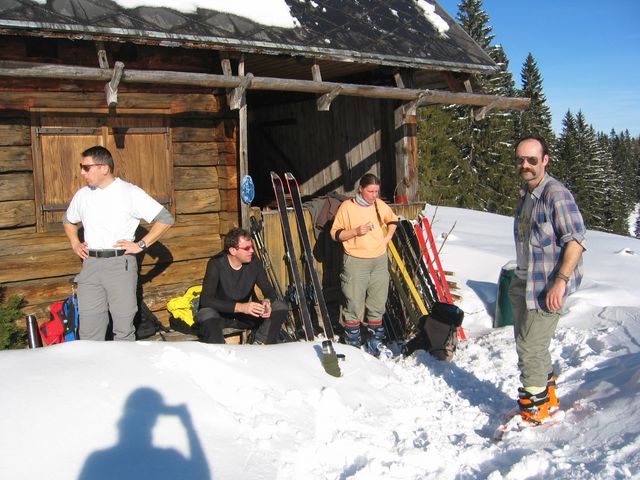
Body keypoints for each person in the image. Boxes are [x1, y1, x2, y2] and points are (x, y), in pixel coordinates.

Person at [509, 135, 586, 424]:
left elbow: (576, 240)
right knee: (530, 344)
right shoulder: (527, 194)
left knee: (530, 347)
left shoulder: (556, 194)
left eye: (531, 159)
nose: (525, 165)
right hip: (524, 281)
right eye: (520, 160)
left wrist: (561, 281)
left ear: (545, 160)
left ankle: (534, 409)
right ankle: (548, 395)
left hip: (547, 286)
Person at [64, 146, 174, 341]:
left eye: (86, 167)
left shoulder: (129, 192)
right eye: (81, 167)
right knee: (89, 328)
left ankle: (123, 362)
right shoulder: (83, 194)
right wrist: (74, 243)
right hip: (90, 265)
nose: (82, 172)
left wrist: (141, 245)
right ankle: (92, 361)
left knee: (123, 327)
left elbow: (165, 219)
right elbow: (69, 221)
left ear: (104, 168)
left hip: (120, 264)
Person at [330, 173, 398, 352]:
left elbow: (393, 220)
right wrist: (355, 231)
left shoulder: (378, 204)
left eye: (376, 191)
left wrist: (387, 238)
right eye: (370, 191)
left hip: (379, 260)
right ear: (360, 189)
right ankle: (353, 341)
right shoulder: (347, 207)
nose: (374, 195)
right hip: (356, 260)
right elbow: (335, 234)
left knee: (378, 301)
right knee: (353, 302)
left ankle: (376, 341)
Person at [196, 227, 286, 344]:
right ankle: (221, 350)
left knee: (279, 306)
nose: (252, 251)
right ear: (233, 251)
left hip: (244, 316)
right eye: (247, 248)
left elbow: (269, 290)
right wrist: (241, 307)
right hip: (220, 315)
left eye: (252, 247)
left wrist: (267, 302)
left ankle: (260, 343)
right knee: (205, 314)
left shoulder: (254, 261)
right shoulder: (216, 263)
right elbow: (206, 300)